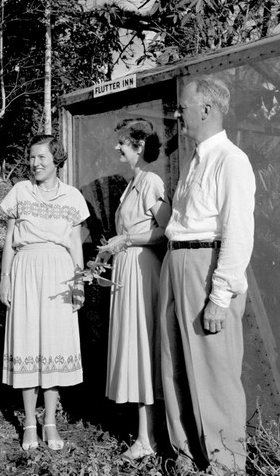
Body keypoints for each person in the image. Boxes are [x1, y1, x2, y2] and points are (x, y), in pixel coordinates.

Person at [160, 77, 255, 474]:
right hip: (176, 263)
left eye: (183, 107)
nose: (177, 113)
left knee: (215, 373)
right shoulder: (194, 159)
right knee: (174, 363)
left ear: (207, 109)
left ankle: (226, 466)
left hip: (207, 267)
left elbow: (237, 231)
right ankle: (187, 456)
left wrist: (219, 296)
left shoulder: (231, 160)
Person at [0, 134, 89, 451]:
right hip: (25, 272)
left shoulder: (73, 197)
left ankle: (49, 421)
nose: (35, 163)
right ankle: (28, 423)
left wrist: (79, 282)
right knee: (27, 344)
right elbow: (9, 240)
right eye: (32, 157)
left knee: (51, 346)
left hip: (60, 276)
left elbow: (76, 244)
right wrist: (4, 278)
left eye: (41, 158)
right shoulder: (20, 192)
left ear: (56, 160)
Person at [97, 119, 171, 461]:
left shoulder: (150, 181)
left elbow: (167, 229)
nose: (117, 148)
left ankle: (148, 440)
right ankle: (144, 435)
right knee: (136, 349)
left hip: (142, 269)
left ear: (139, 146)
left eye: (122, 143)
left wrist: (126, 239)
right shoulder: (133, 184)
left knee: (144, 349)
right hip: (128, 268)